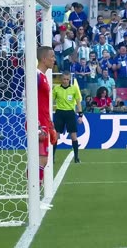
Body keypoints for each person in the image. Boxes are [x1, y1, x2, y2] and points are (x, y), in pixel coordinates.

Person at [34, 46, 58, 193]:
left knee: (41, 159)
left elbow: (43, 103)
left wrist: (50, 125)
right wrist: (36, 125)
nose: (54, 59)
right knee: (41, 159)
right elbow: (29, 99)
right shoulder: (35, 75)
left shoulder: (43, 77)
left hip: (43, 121)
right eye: (52, 56)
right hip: (37, 122)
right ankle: (34, 194)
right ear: (44, 59)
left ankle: (34, 194)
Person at [52, 71, 83, 163]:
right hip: (59, 113)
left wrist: (80, 115)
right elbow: (51, 100)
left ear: (70, 79)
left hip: (70, 113)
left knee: (73, 136)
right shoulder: (56, 88)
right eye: (64, 79)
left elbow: (78, 102)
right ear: (61, 79)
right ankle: (52, 157)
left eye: (67, 79)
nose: (65, 81)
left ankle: (76, 157)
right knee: (56, 135)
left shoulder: (74, 89)